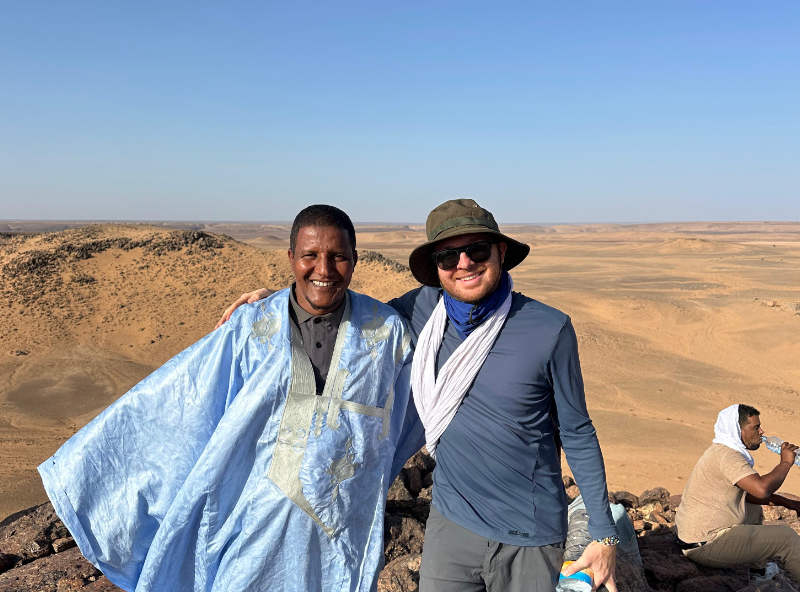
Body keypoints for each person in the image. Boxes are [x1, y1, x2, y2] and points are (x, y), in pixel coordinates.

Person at [219, 199, 619, 592]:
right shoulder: (422, 311)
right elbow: (345, 313)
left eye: (476, 250)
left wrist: (605, 536)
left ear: (500, 252)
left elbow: (578, 432)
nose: (464, 264)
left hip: (528, 534)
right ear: (436, 268)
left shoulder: (549, 329)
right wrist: (276, 301)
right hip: (451, 524)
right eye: (448, 257)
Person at [38, 205, 416, 592]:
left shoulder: (388, 333)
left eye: (338, 256)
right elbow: (183, 401)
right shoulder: (249, 328)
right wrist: (85, 471)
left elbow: (417, 404)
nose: (324, 268)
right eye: (310, 255)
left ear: (354, 261)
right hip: (249, 534)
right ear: (291, 258)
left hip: (343, 544)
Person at [675, 404, 800, 582]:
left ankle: (758, 574)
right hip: (704, 544)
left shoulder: (724, 451)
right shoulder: (727, 456)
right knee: (787, 539)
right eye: (756, 427)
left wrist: (789, 503)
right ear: (737, 429)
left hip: (699, 536)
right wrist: (786, 463)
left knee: (752, 508)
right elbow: (762, 489)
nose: (762, 432)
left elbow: (751, 494)